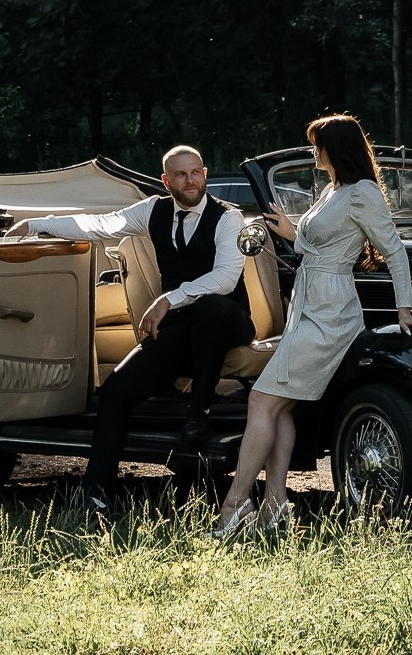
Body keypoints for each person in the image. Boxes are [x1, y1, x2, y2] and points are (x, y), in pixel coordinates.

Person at [212, 112, 412, 541]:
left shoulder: (362, 192)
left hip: (331, 312)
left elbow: (395, 251)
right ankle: (275, 504)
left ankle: (235, 504)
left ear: (336, 149)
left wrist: (404, 309)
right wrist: (291, 232)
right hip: (307, 305)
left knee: (261, 400)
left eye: (319, 144)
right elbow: (318, 245)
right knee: (282, 405)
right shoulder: (335, 189)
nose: (314, 151)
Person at [33, 143, 252, 521]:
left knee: (210, 308)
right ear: (166, 181)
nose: (190, 181)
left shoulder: (228, 218)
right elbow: (100, 225)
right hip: (180, 327)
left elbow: (226, 278)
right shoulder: (153, 210)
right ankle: (96, 497)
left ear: (205, 174)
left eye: (196, 173)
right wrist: (38, 225)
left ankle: (199, 410)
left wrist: (167, 299)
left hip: (228, 319)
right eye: (181, 175)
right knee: (116, 391)